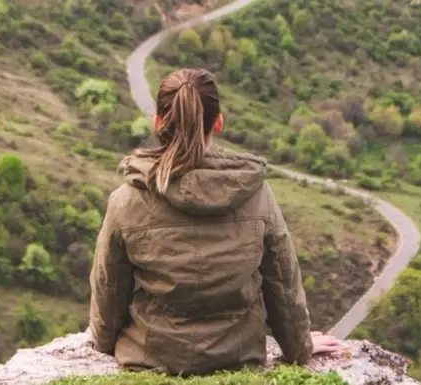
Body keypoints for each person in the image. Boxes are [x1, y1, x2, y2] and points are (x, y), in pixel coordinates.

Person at [87, 68, 340, 375]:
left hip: (151, 358)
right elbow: (282, 283)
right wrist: (299, 348)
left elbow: (109, 286)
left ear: (157, 123)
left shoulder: (126, 200)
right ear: (218, 122)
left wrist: (102, 341)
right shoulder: (255, 194)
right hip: (238, 357)